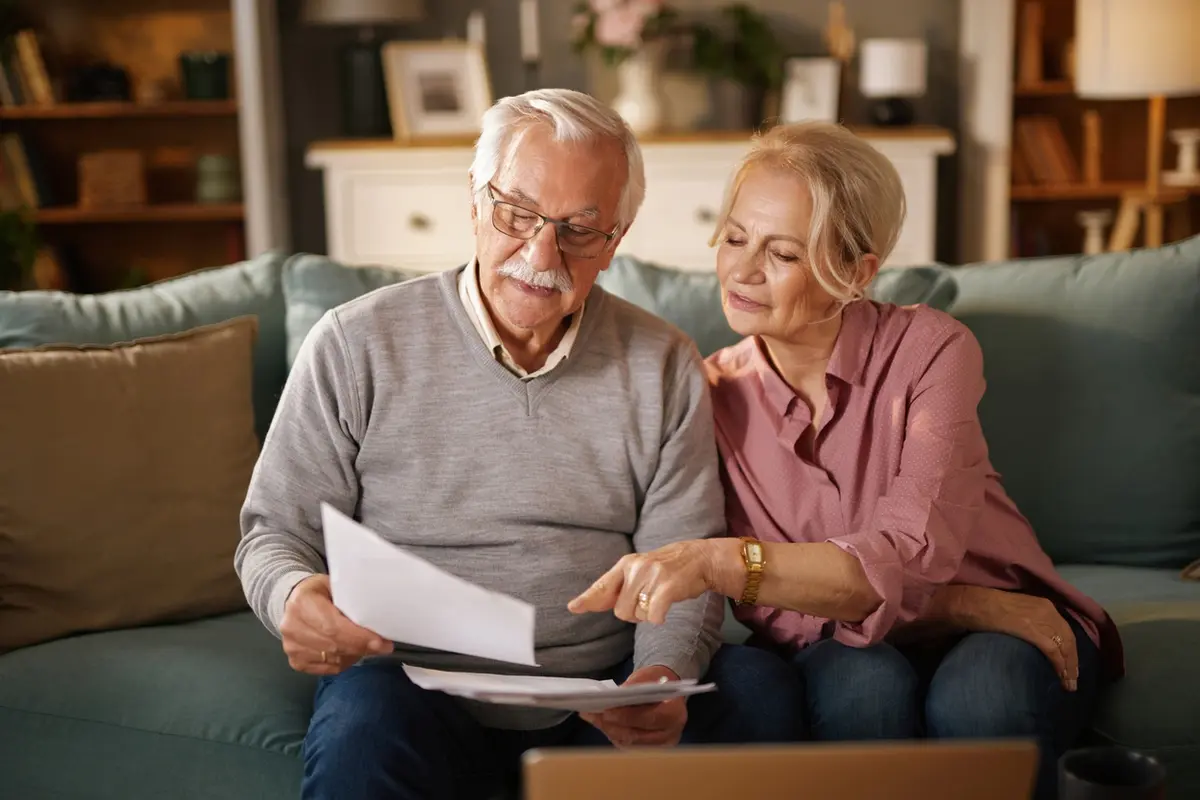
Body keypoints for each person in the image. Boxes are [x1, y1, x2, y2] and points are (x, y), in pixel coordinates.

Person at [234, 88, 803, 800]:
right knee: (362, 721)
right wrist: (294, 598)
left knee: (760, 689)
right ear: (474, 202)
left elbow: (679, 565)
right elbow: (272, 533)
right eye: (517, 214)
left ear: (615, 242)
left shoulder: (663, 363)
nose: (540, 253)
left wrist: (659, 677)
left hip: (597, 698)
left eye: (579, 229)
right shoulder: (356, 343)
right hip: (412, 686)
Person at [569, 121, 1125, 800]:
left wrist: (737, 566)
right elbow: (783, 618)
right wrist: (967, 606)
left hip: (1010, 621)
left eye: (782, 253)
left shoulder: (933, 350)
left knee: (981, 698)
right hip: (908, 627)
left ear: (858, 272)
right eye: (736, 238)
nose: (742, 270)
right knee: (861, 684)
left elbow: (910, 551)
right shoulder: (708, 395)